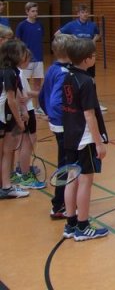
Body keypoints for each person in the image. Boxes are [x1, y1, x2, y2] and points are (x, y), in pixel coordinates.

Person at [62, 38, 109, 241]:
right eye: (94, 55)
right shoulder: (87, 81)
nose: (95, 57)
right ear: (86, 59)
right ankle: (82, 226)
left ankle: (70, 223)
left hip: (70, 135)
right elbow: (89, 115)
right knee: (85, 182)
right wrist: (98, 143)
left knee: (71, 178)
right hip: (85, 137)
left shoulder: (68, 76)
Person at [39, 33, 73, 219]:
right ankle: (59, 204)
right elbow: (55, 101)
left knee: (65, 162)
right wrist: (61, 118)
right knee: (67, 165)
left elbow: (42, 95)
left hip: (57, 123)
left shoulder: (52, 68)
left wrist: (49, 114)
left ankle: (63, 201)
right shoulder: (63, 73)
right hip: (63, 125)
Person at [55, 3, 106, 111]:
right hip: (77, 57)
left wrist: (93, 40)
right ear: (78, 14)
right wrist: (71, 39)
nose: (85, 14)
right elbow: (57, 34)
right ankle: (75, 102)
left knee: (91, 79)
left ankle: (94, 103)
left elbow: (98, 34)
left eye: (86, 12)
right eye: (83, 12)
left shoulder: (92, 25)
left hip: (89, 57)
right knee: (75, 79)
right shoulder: (71, 25)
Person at [0, 39, 30, 199]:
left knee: (7, 151)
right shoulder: (9, 73)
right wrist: (19, 121)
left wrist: (24, 111)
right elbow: (11, 100)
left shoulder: (12, 71)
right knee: (7, 151)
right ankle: (6, 187)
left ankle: (6, 184)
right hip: (4, 117)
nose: (25, 55)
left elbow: (18, 93)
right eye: (22, 52)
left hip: (6, 116)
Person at [12, 49, 46, 190]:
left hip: (21, 111)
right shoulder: (19, 73)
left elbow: (25, 93)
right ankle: (25, 176)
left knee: (19, 141)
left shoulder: (14, 72)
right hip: (27, 110)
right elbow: (23, 96)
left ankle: (19, 169)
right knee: (28, 141)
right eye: (28, 58)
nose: (29, 61)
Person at [15, 2, 44, 115]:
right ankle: (23, 107)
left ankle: (38, 107)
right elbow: (17, 42)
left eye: (36, 11)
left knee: (37, 84)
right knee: (24, 84)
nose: (35, 13)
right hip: (26, 60)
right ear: (27, 12)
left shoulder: (39, 25)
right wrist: (22, 56)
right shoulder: (22, 25)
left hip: (39, 59)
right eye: (33, 11)